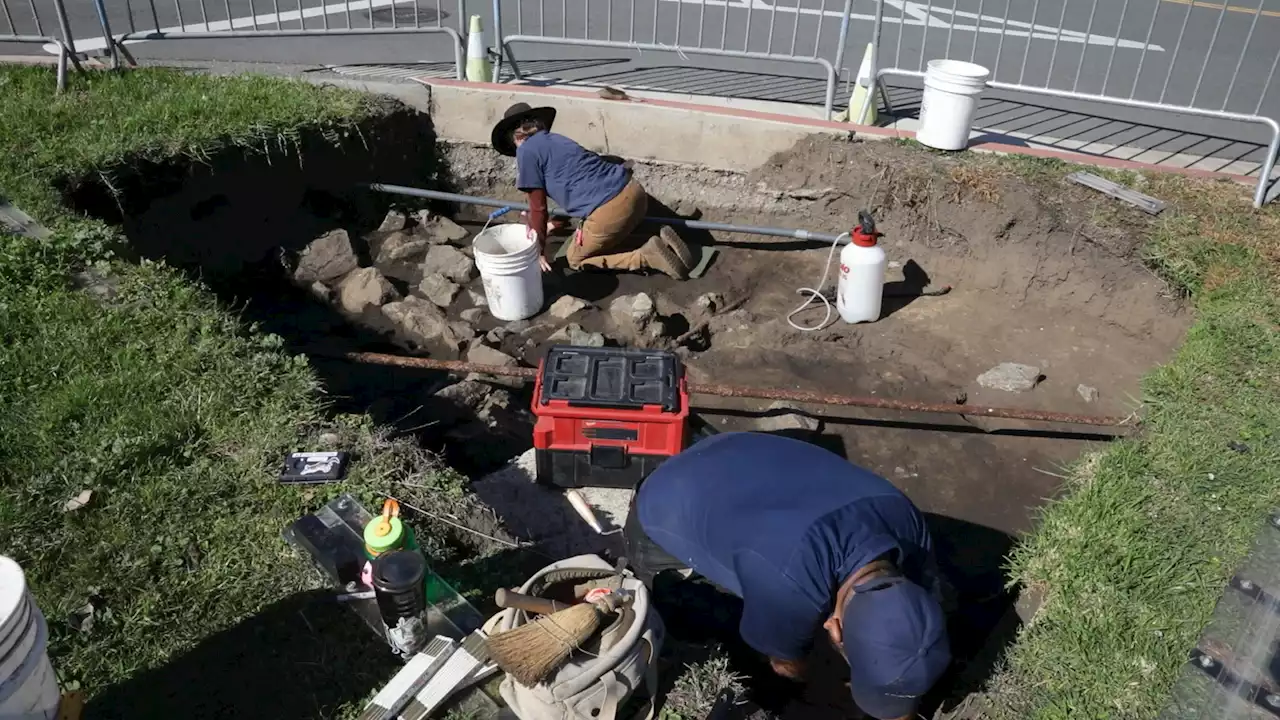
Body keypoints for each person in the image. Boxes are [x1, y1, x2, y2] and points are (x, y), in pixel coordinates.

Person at [623, 432, 951, 720]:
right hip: (667, 497)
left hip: (743, 452)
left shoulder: (908, 525)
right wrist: (823, 690)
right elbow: (785, 665)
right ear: (833, 630)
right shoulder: (787, 586)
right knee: (698, 619)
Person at [490, 103, 695, 278]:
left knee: (575, 258)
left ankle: (646, 257)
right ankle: (658, 241)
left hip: (610, 211)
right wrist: (553, 226)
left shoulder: (526, 151)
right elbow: (579, 184)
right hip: (635, 194)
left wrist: (537, 251)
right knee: (600, 234)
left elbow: (538, 207)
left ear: (515, 137)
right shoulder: (558, 140)